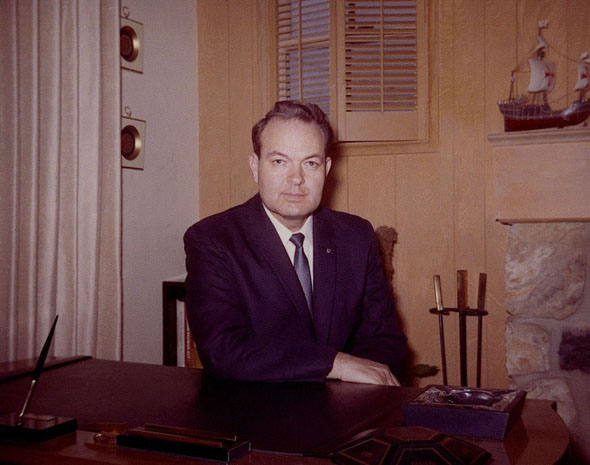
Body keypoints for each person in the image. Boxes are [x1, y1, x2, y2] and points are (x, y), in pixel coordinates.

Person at [184, 100, 407, 386]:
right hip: (253, 418)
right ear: (255, 166)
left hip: (346, 413)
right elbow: (223, 350)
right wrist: (334, 363)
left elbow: (385, 342)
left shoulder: (357, 236)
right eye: (280, 162)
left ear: (326, 169)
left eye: (310, 163)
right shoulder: (212, 239)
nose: (296, 179)